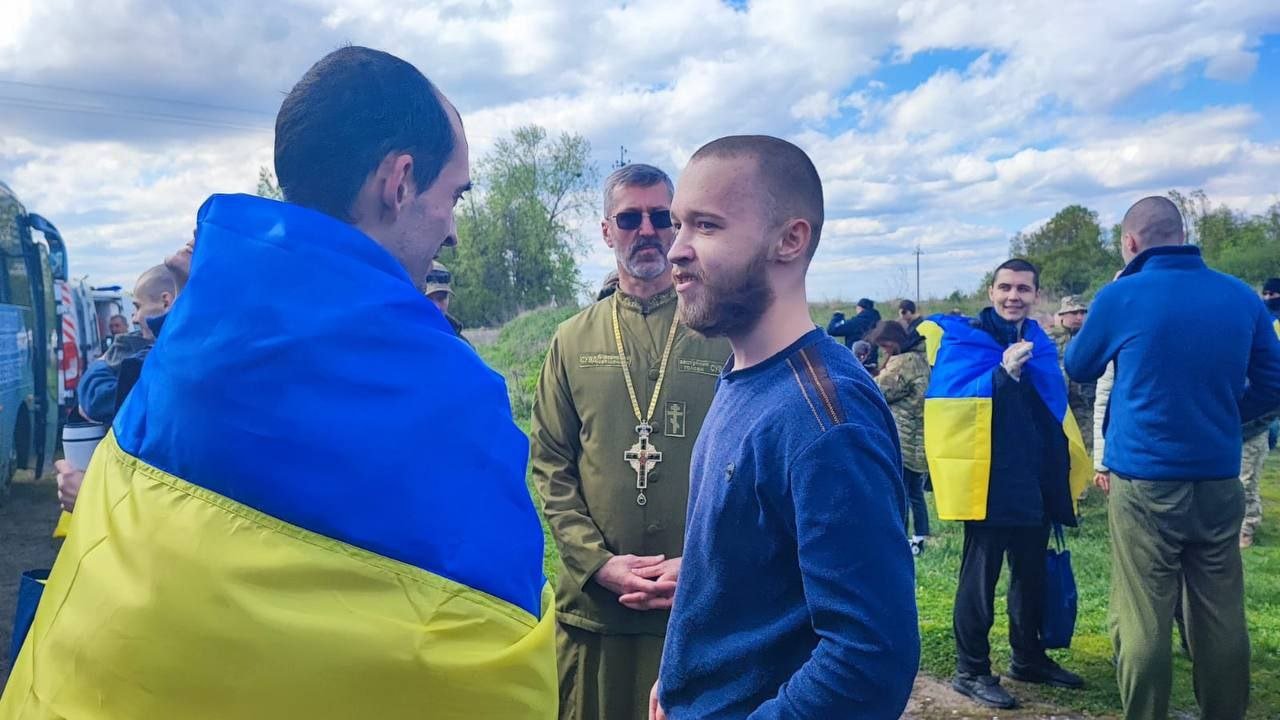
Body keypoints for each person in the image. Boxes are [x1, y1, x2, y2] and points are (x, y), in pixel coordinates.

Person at [2, 47, 556, 719]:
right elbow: (494, 660)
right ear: (400, 181)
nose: (454, 231)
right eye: (454, 196)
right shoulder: (457, 398)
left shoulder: (185, 344)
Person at [651, 136, 918, 719]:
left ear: (790, 240)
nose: (675, 250)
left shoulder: (825, 418)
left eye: (706, 226)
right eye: (678, 224)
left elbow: (869, 661)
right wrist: (681, 680)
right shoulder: (746, 377)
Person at [1065, 196, 1280, 720]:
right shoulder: (1239, 295)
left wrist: (1116, 295)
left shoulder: (1122, 295)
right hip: (1218, 476)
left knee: (1142, 611)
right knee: (1220, 612)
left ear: (1130, 242)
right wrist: (1228, 416)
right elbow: (1274, 382)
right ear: (1182, 235)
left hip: (1143, 479)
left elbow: (1079, 363)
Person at [530, 163, 729, 720]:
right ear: (606, 231)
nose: (647, 230)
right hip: (596, 608)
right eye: (629, 218)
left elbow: (749, 464)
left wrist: (705, 562)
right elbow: (550, 464)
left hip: (698, 598)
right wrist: (596, 563)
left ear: (677, 227)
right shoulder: (572, 339)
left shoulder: (721, 334)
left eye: (660, 217)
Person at [926, 259, 1088, 710]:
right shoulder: (966, 340)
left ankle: (1028, 656)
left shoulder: (1039, 340)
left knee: (1031, 574)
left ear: (1036, 294)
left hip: (1035, 478)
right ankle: (971, 669)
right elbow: (951, 404)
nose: (1013, 296)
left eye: (1023, 289)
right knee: (980, 578)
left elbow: (1053, 405)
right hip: (988, 480)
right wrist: (1001, 375)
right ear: (991, 291)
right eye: (1005, 287)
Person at [868, 320, 931, 554]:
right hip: (918, 436)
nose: (884, 350)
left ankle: (899, 540)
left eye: (884, 345)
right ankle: (920, 538)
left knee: (899, 492)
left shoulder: (904, 362)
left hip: (902, 436)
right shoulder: (920, 357)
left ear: (893, 341)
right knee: (915, 493)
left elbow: (878, 390)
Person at [1049, 296, 1096, 455]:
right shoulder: (1048, 339)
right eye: (1074, 313)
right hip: (1058, 403)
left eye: (1082, 313)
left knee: (1086, 449)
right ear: (1062, 315)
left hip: (1085, 403)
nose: (1079, 317)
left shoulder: (1090, 338)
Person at [422, 262, 469, 343]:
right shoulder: (402, 340)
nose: (436, 306)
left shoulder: (460, 342)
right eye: (428, 299)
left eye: (441, 299)